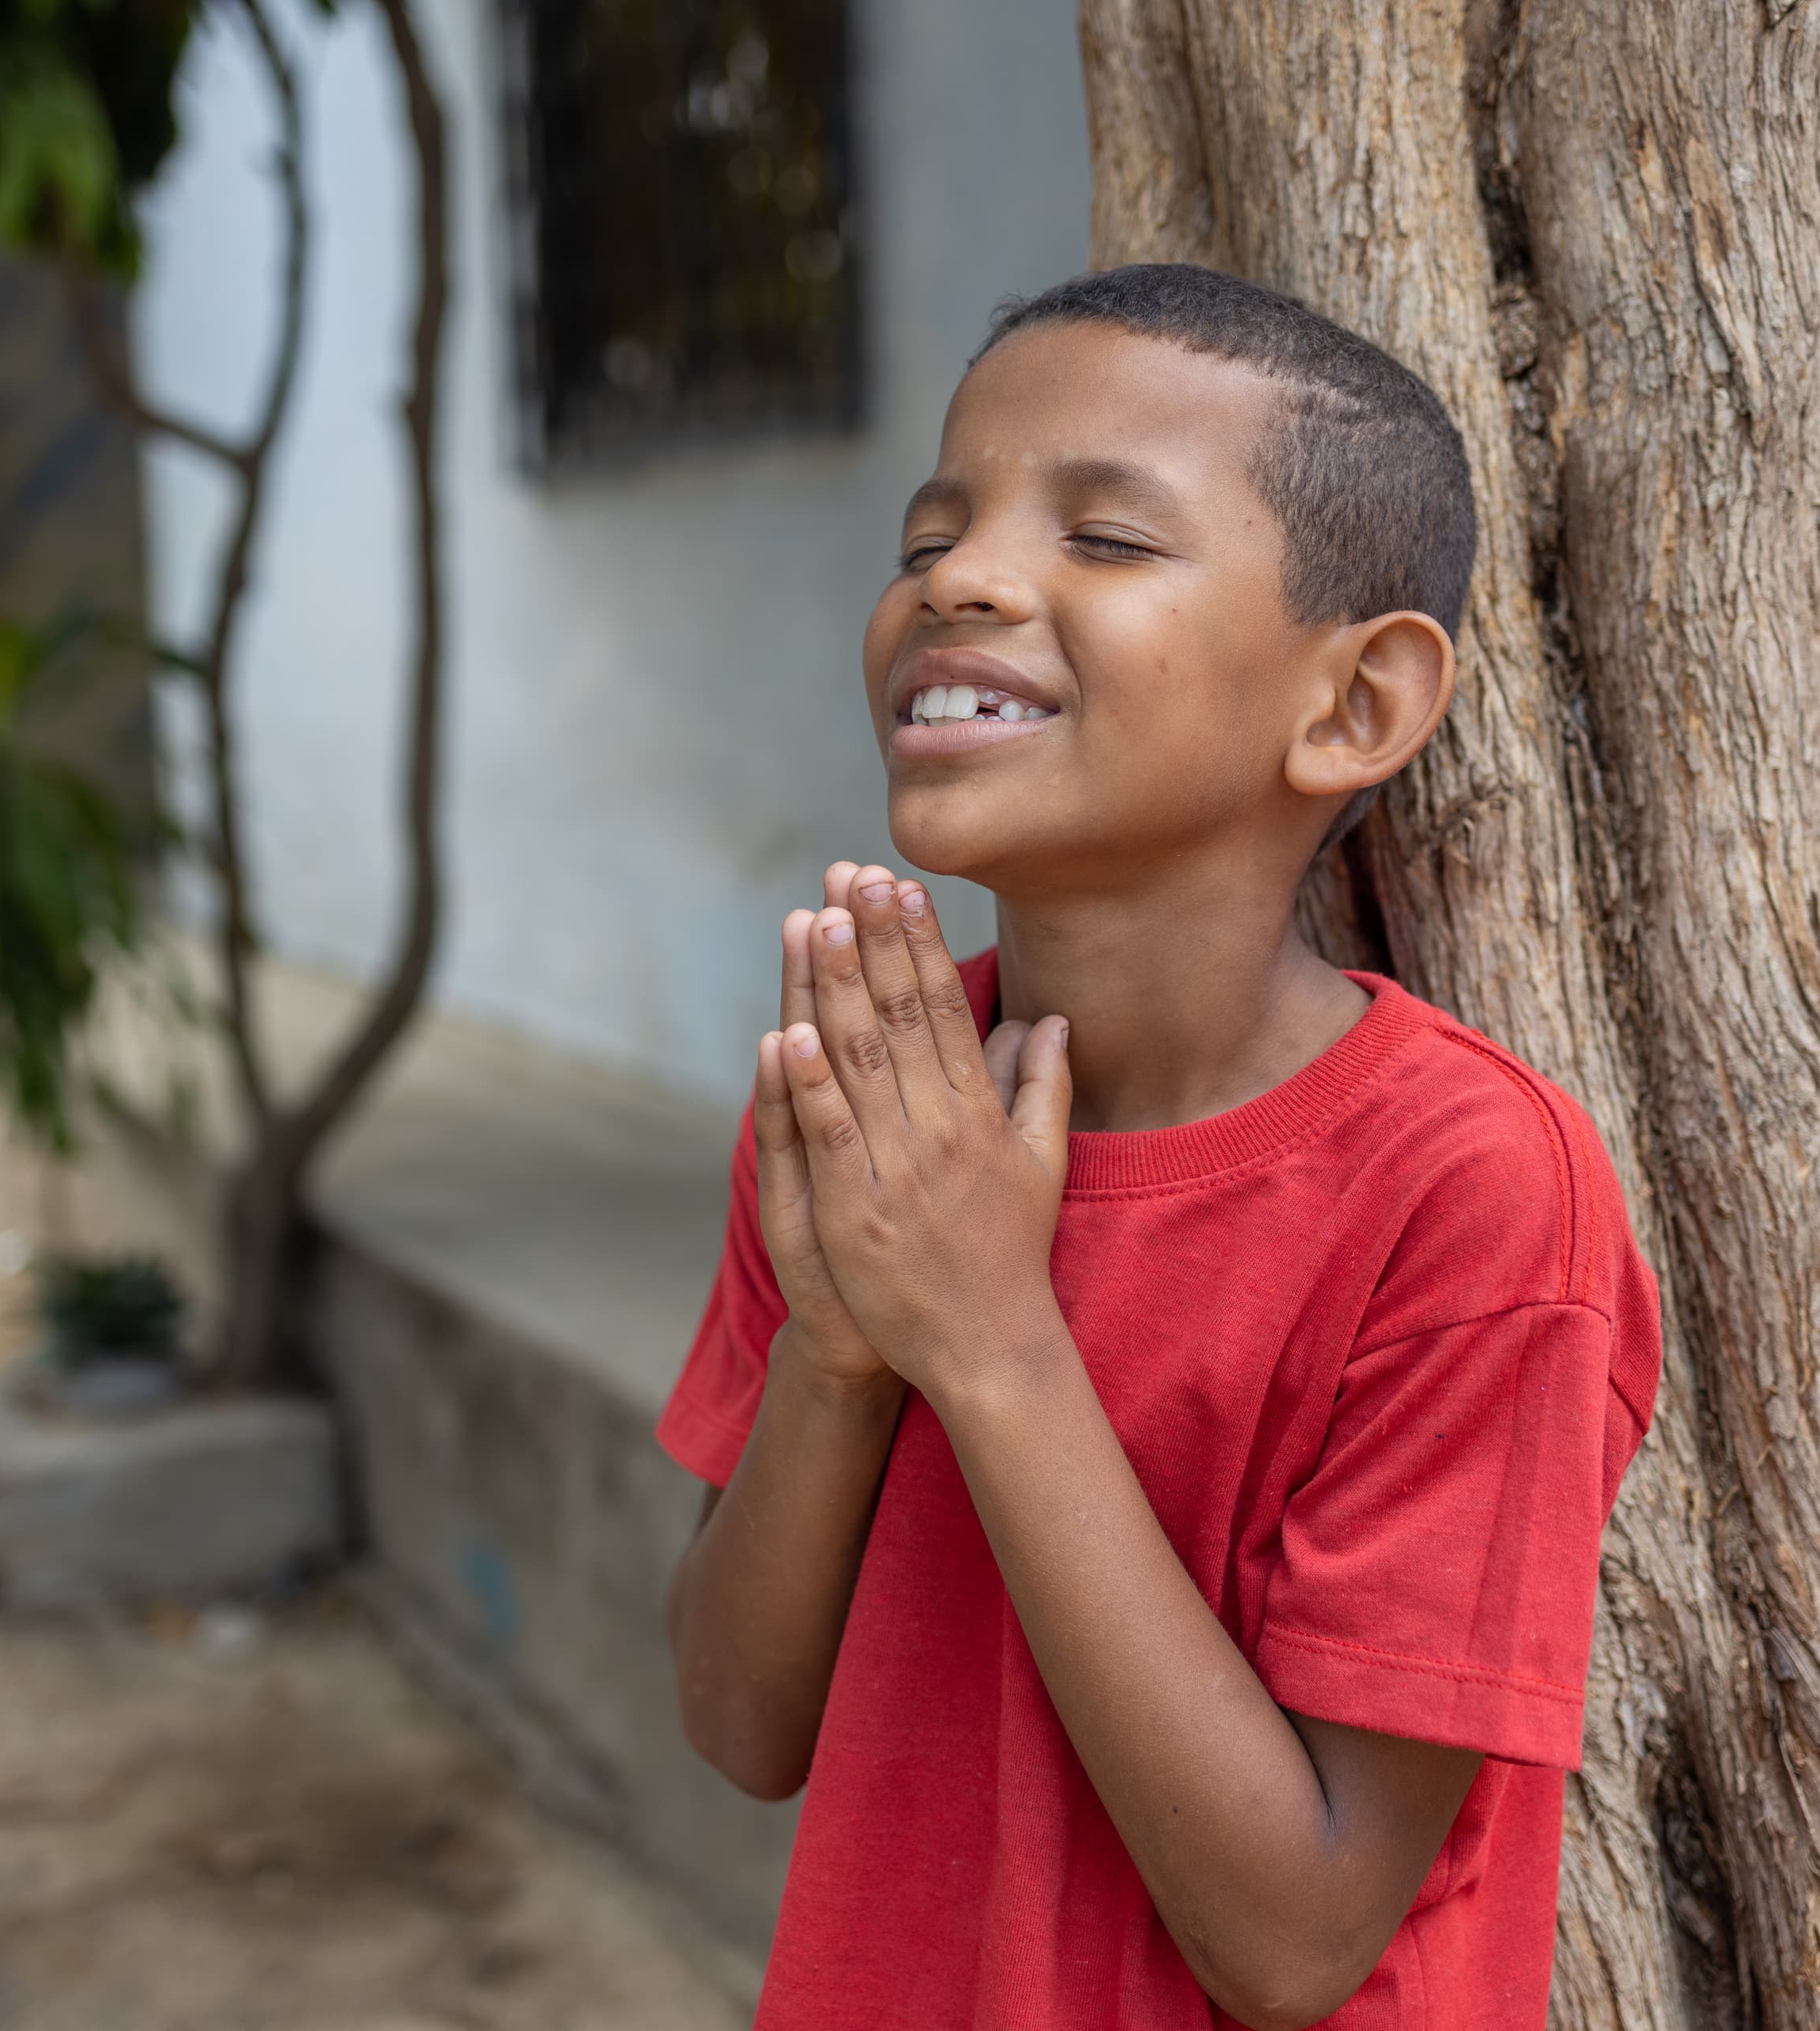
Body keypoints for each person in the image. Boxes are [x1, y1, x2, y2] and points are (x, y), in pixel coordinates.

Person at [656, 264, 1663, 2031]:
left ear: (1352, 706)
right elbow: (742, 1724)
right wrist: (841, 1351)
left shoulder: (1470, 1191)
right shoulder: (872, 1100)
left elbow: (1297, 1936)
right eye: (928, 537)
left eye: (1107, 540)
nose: (959, 578)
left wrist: (980, 1331)